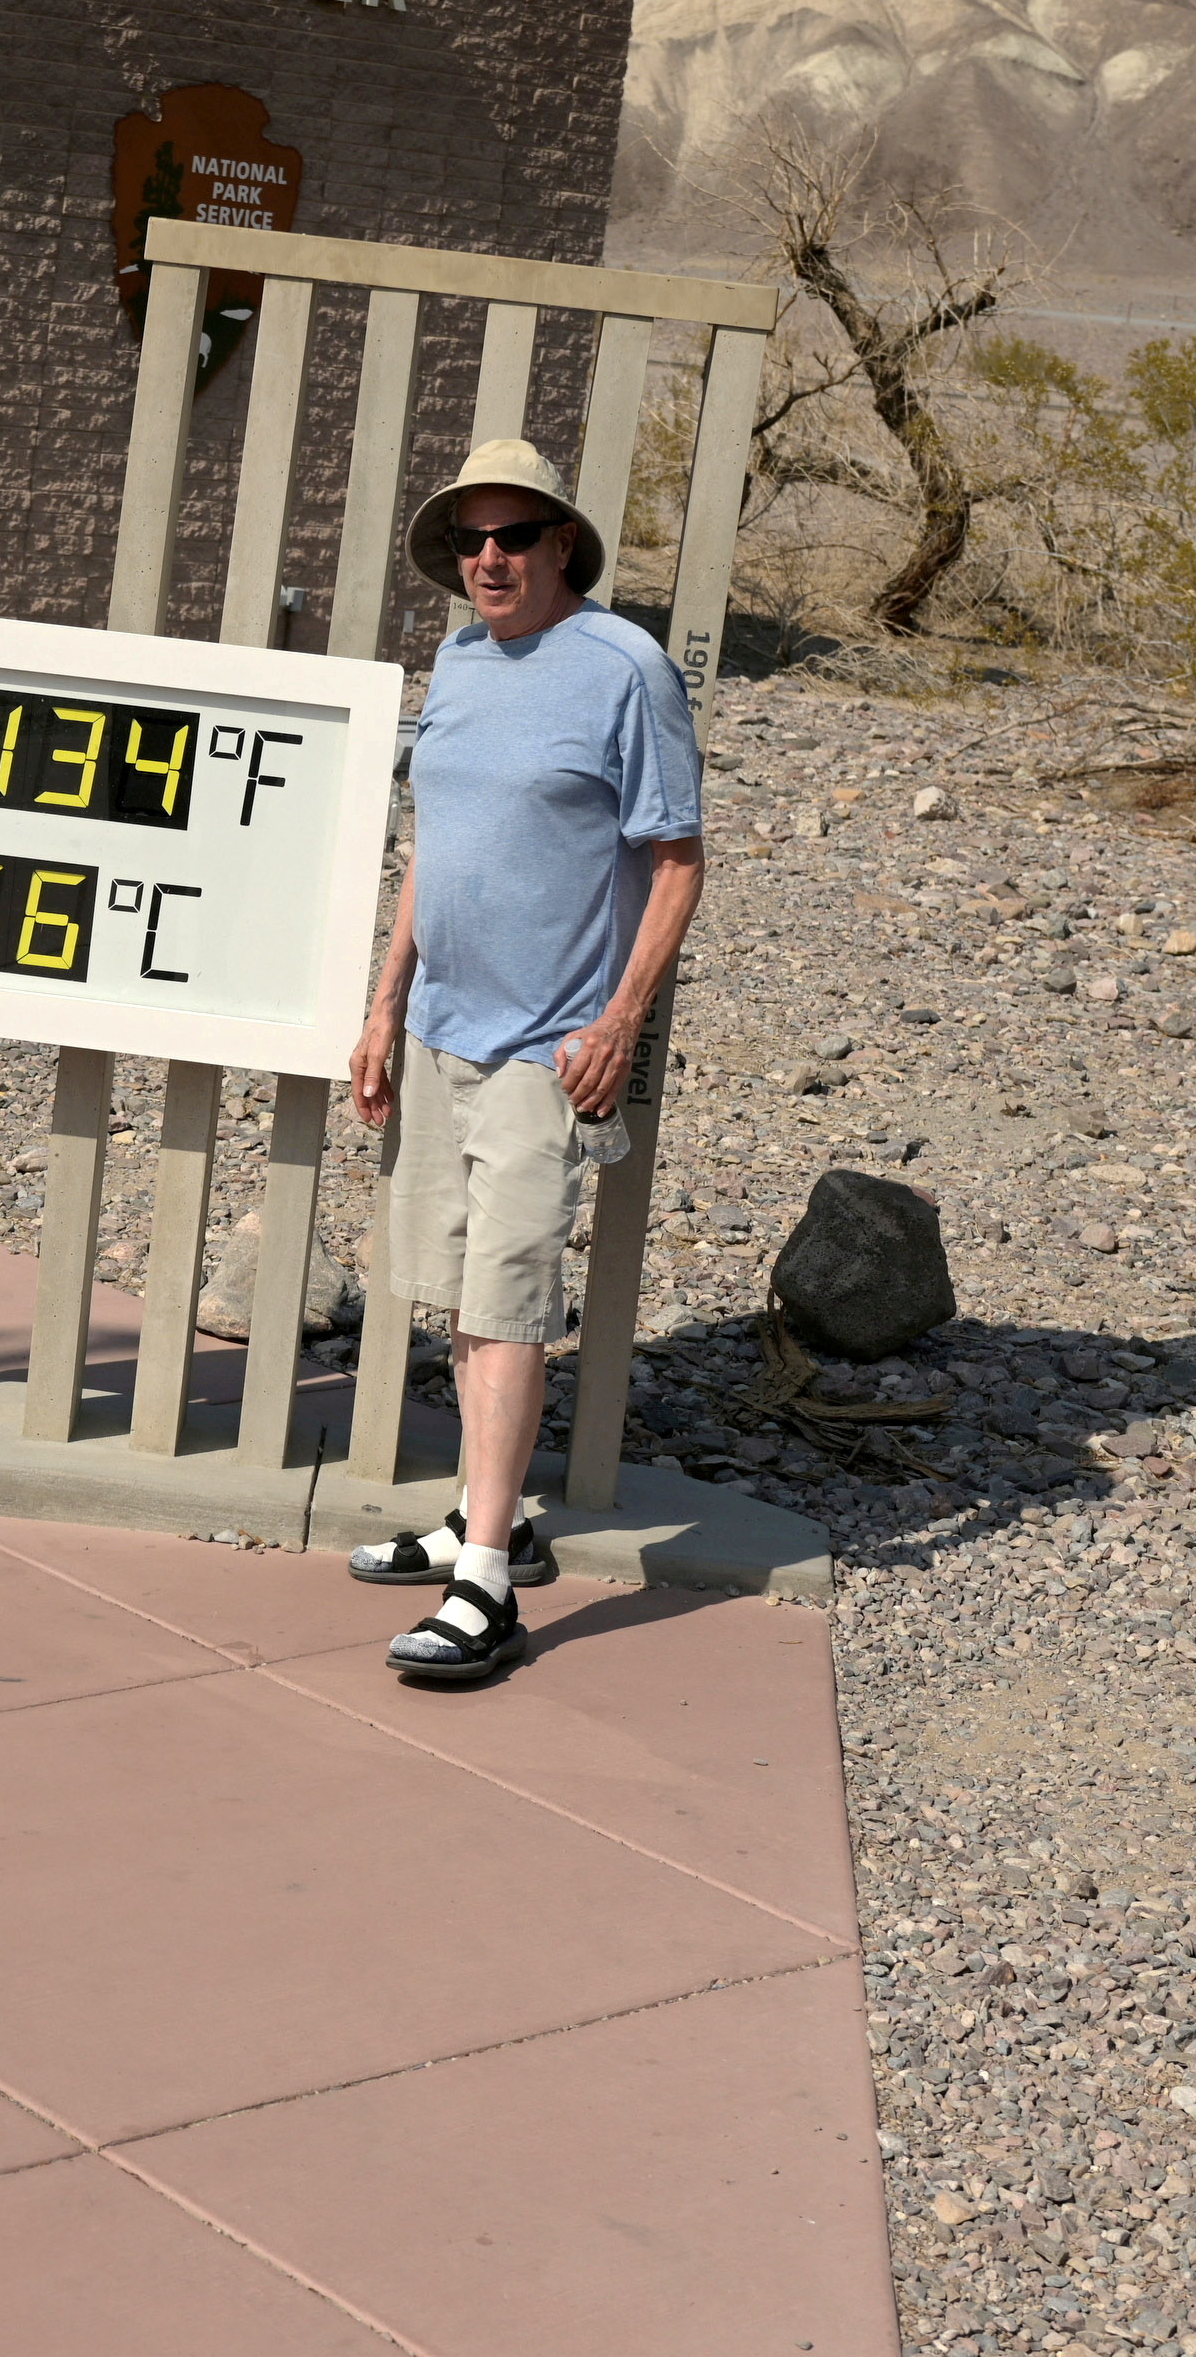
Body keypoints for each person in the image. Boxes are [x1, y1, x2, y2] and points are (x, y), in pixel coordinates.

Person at [341, 436, 704, 1684]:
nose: (485, 560)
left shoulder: (626, 671)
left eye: (510, 537)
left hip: (548, 1052)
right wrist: (385, 1002)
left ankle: (484, 1583)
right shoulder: (454, 660)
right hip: (441, 1030)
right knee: (459, 1292)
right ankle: (478, 1515)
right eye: (468, 541)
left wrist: (616, 1025)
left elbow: (676, 859)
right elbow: (433, 851)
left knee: (507, 1302)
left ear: (561, 544)